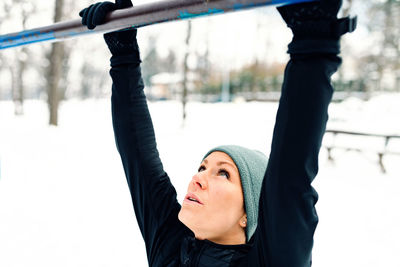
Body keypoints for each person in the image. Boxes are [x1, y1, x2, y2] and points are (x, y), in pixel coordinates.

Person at [79, 0, 356, 265]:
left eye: (223, 173)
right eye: (203, 167)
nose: (198, 177)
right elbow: (139, 156)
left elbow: (290, 176)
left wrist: (313, 43)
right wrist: (124, 55)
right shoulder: (170, 246)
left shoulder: (270, 261)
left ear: (248, 214)